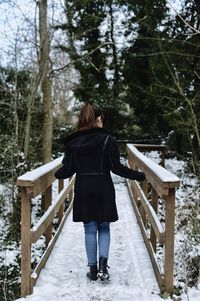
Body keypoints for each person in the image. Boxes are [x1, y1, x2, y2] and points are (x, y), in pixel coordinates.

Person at [55, 103, 146, 281]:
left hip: (83, 188)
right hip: (103, 186)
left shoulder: (73, 142)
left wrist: (56, 173)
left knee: (89, 229)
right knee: (104, 227)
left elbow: (67, 170)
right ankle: (104, 267)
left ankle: (93, 269)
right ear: (98, 119)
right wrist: (137, 175)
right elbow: (116, 167)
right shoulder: (107, 140)